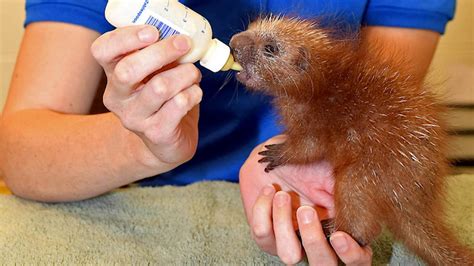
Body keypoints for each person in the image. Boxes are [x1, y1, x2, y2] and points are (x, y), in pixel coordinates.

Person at [0, 0, 455, 264]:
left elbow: (384, 114)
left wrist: (309, 161)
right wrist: (142, 143)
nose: (239, 44)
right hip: (150, 199)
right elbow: (19, 151)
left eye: (269, 47)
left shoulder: (328, 88)